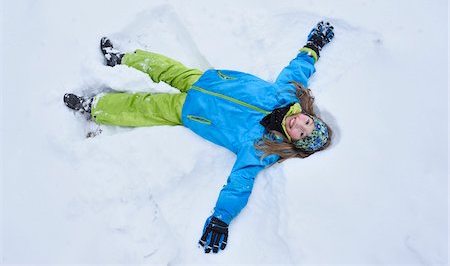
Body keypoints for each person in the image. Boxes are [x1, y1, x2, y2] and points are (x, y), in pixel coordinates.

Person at [63, 21, 335, 254]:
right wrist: (314, 45)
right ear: (309, 114)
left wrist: (221, 217)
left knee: (144, 106)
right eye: (308, 122)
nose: (300, 123)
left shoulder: (263, 146)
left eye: (302, 133)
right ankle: (122, 58)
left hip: (191, 112)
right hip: (206, 81)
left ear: (295, 142)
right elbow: (298, 69)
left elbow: (240, 182)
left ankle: (94, 107)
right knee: (165, 67)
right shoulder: (287, 95)